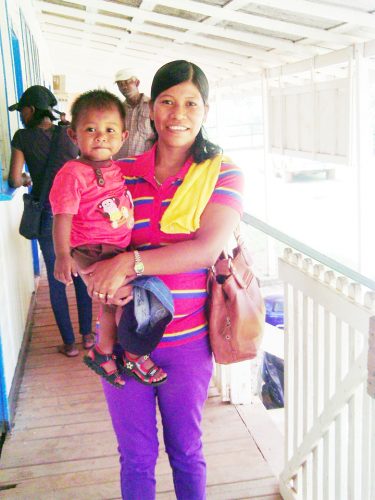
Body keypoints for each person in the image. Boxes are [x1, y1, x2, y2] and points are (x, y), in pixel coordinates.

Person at [84, 60, 244, 499]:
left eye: (191, 103)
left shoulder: (222, 174)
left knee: (186, 451)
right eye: (169, 102)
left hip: (188, 344)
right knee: (135, 456)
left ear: (206, 111)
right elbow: (90, 239)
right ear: (152, 110)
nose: (179, 113)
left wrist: (132, 263)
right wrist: (95, 278)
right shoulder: (120, 173)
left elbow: (207, 248)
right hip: (121, 340)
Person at [50, 89, 169, 388]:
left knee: (109, 305)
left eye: (109, 130)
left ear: (123, 136)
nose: (100, 136)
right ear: (73, 135)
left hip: (116, 250)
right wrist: (62, 255)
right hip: (92, 250)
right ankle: (134, 354)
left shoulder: (117, 169)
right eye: (90, 129)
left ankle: (102, 352)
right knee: (126, 298)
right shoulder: (72, 173)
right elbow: (62, 215)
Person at [8, 85, 93, 357]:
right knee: (80, 273)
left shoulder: (22, 137)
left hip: (47, 213)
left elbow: (13, 179)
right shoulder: (69, 134)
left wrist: (27, 179)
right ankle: (88, 336)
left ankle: (69, 344)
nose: (21, 115)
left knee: (57, 279)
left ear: (31, 110)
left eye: (22, 110)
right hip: (76, 213)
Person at [113, 67, 154, 159]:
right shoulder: (118, 110)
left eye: (127, 82)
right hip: (120, 162)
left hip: (143, 163)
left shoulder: (153, 106)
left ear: (137, 83)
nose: (124, 87)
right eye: (120, 84)